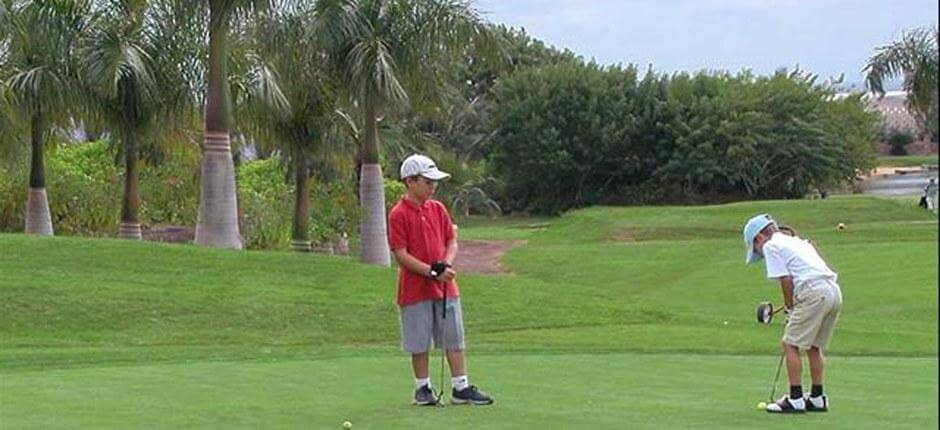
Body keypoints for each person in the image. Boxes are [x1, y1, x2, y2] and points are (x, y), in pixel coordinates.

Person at [387, 154, 494, 406]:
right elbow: (401, 254)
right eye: (427, 181)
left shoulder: (438, 208)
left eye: (434, 181)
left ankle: (461, 387)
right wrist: (430, 271)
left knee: (454, 337)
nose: (432, 186)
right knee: (419, 341)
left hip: (445, 285)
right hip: (414, 289)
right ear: (410, 181)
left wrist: (445, 262)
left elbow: (451, 240)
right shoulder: (398, 214)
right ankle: (422, 389)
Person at [743, 214, 843, 414]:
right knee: (814, 346)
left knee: (790, 344)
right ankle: (817, 398)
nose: (760, 253)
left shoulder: (771, 246)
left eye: (756, 249)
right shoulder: (796, 241)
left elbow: (786, 280)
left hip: (813, 292)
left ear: (759, 238)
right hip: (833, 292)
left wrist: (789, 308)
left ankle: (795, 399)